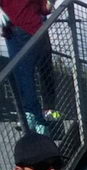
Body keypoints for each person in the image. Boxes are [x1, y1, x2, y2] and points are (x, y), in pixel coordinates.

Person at [1, 0, 52, 133]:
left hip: (25, 30)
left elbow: (45, 8)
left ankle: (34, 116)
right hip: (15, 31)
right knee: (21, 74)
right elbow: (45, 8)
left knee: (24, 74)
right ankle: (35, 117)